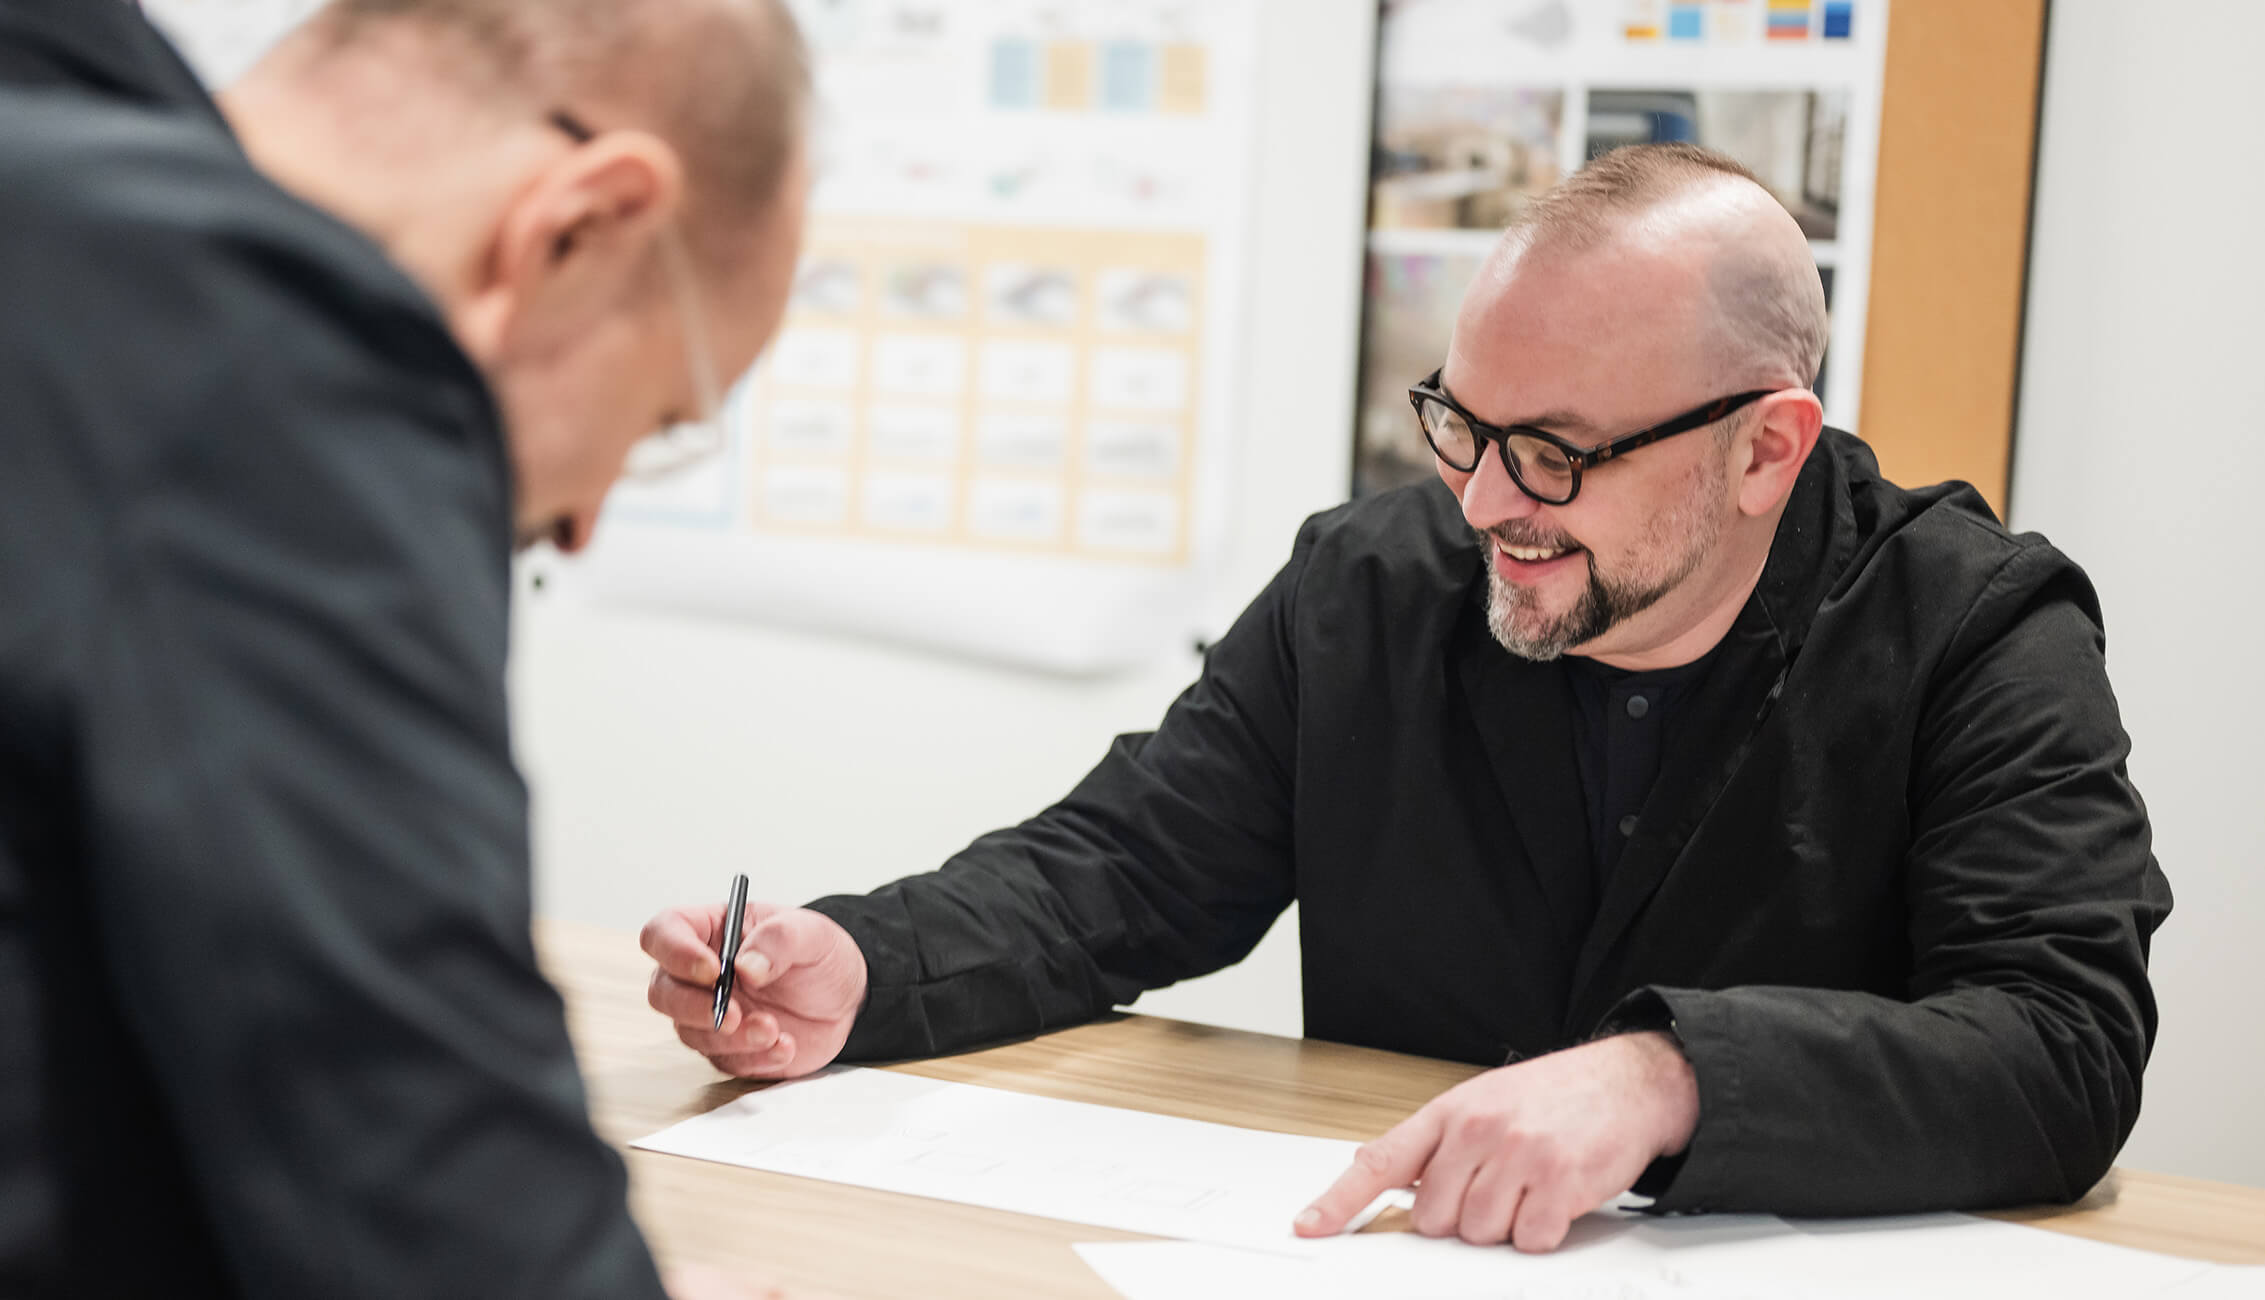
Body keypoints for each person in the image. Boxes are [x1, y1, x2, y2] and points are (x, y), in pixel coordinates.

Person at [640, 143, 2172, 1253]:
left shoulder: (1973, 628)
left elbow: (2061, 1047)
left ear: (1763, 448)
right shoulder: (1371, 588)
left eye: (1555, 453)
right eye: (1460, 423)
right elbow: (1116, 876)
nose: (1484, 501)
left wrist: (1668, 1081)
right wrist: (863, 963)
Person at [1, 0, 809, 1295]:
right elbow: (425, 1175)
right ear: (577, 228)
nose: (585, 526)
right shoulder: (271, 358)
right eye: (661, 418)